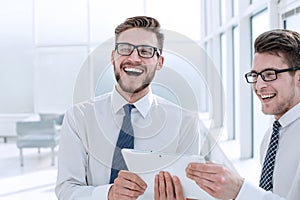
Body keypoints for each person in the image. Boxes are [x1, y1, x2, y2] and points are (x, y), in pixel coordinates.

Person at [55, 16, 204, 200]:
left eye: (145, 51)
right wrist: (109, 194)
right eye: (125, 49)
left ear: (160, 62)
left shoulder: (185, 123)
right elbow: (66, 190)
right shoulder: (79, 117)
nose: (134, 58)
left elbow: (189, 193)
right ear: (113, 57)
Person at [184, 29, 300, 200]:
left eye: (269, 74)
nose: (259, 85)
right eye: (255, 75)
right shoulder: (271, 136)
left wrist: (240, 191)